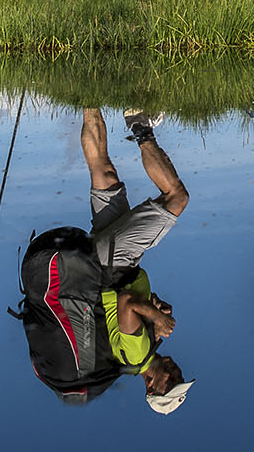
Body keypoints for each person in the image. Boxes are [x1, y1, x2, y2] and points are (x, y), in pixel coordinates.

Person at [83, 107, 193, 412]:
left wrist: (156, 317)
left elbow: (126, 303)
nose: (174, 373)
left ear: (151, 386)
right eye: (180, 378)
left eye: (169, 383)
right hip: (104, 264)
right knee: (103, 172)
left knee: (177, 199)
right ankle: (87, 97)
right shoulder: (146, 347)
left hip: (115, 261)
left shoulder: (136, 357)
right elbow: (127, 305)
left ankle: (140, 125)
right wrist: (154, 306)